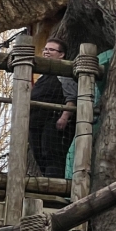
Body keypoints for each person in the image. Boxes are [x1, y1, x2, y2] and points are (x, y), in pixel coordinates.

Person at [29, 39, 77, 178]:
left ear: (61, 54)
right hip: (35, 123)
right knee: (39, 155)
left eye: (51, 50)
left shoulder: (63, 74)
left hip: (53, 121)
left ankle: (55, 183)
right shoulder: (43, 77)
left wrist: (64, 117)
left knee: (51, 153)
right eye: (45, 49)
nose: (46, 52)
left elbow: (71, 98)